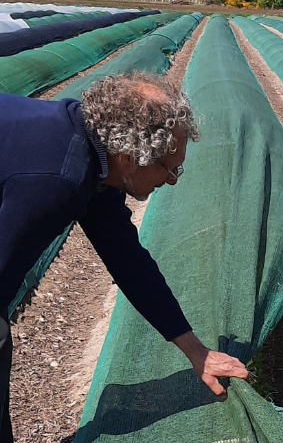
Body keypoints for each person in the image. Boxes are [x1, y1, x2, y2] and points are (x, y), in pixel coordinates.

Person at [0, 73, 248, 442]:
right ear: (130, 156)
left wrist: (197, 352)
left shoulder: (95, 158)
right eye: (169, 167)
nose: (173, 179)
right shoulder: (56, 182)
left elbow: (128, 259)